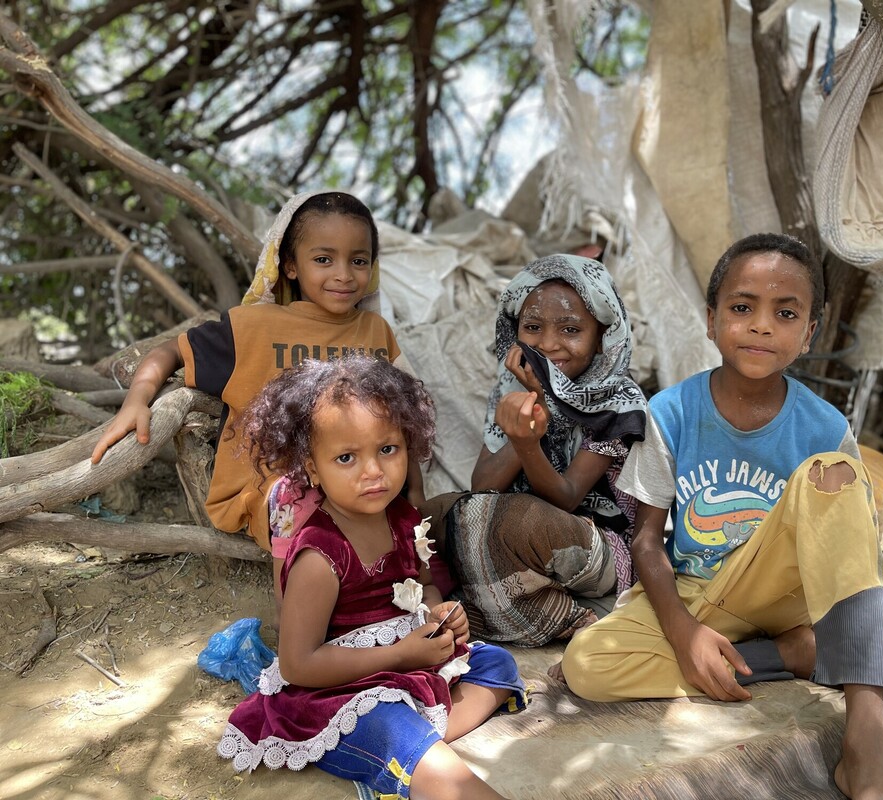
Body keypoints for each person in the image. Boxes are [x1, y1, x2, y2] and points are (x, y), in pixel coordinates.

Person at [560, 233, 883, 800]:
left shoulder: (824, 426)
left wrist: (869, 619)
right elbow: (647, 540)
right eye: (743, 307)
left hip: (788, 591)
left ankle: (868, 736)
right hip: (706, 593)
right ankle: (798, 654)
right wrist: (683, 631)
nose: (762, 325)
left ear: (809, 332)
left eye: (785, 312)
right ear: (711, 319)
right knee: (588, 664)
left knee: (833, 473)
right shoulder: (672, 411)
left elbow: (855, 544)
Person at [89, 190, 425, 603]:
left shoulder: (375, 332)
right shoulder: (252, 328)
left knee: (417, 535)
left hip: (360, 479)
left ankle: (384, 618)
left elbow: (401, 423)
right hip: (273, 489)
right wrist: (136, 401)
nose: (343, 274)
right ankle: (300, 630)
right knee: (309, 507)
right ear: (289, 266)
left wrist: (416, 492)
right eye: (323, 259)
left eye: (358, 260)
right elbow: (169, 351)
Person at [216, 355, 525, 799]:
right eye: (346, 457)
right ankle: (411, 757)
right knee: (387, 724)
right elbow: (298, 664)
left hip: (405, 666)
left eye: (387, 449)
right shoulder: (320, 557)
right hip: (339, 690)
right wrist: (399, 656)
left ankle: (406, 753)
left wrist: (442, 612)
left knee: (497, 662)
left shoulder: (403, 518)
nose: (374, 471)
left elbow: (425, 587)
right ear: (313, 467)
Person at [431, 253, 647, 647]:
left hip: (595, 548)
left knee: (509, 519)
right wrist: (533, 405)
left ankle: (561, 616)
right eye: (533, 327)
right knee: (431, 516)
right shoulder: (511, 390)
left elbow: (565, 498)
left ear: (602, 336)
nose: (548, 344)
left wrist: (530, 443)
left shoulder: (618, 400)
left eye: (570, 329)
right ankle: (515, 603)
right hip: (517, 534)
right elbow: (483, 485)